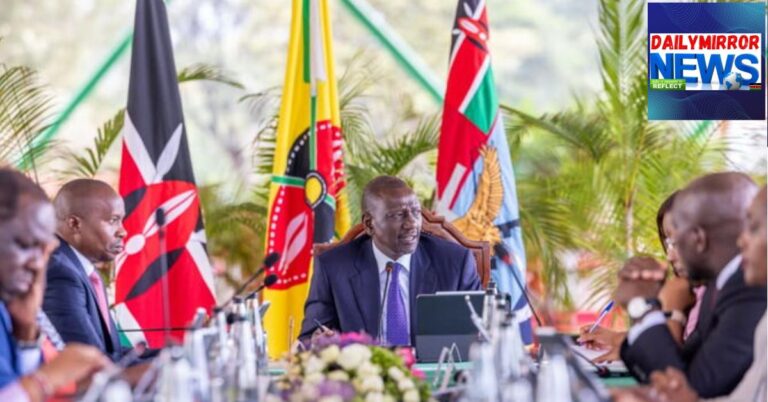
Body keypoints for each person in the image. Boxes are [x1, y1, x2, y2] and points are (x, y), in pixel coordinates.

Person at [616, 172, 765, 398]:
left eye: (674, 239)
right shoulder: (717, 286)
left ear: (698, 239)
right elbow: (684, 369)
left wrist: (644, 307)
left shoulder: (750, 288)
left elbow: (695, 386)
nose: (670, 254)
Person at [300, 176, 482, 345]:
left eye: (416, 212)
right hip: (365, 375)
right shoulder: (333, 267)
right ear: (370, 224)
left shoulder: (455, 262)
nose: (412, 223)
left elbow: (481, 332)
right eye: (397, 215)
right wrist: (319, 339)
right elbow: (311, 335)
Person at [0, 168, 110, 401]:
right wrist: (48, 378)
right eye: (25, 245)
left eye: (44, 249)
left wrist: (26, 333)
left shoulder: (11, 306)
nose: (37, 264)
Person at [578, 190, 698, 362]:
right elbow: (661, 339)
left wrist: (672, 310)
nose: (670, 255)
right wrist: (612, 338)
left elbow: (670, 361)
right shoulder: (691, 289)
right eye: (668, 242)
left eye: (677, 241)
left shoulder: (703, 295)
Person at [43, 179, 127, 362]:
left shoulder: (83, 269)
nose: (123, 232)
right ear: (74, 224)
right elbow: (90, 365)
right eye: (113, 221)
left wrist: (173, 353)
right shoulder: (60, 273)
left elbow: (114, 352)